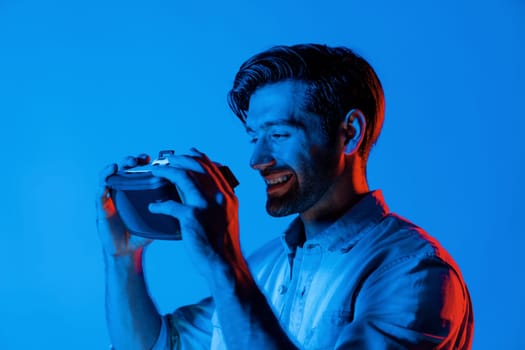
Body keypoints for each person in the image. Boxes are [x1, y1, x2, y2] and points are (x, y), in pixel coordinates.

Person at [96, 44, 474, 349]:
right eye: (253, 137)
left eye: (278, 135)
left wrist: (223, 262)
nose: (257, 160)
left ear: (350, 133)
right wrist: (124, 258)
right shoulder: (262, 268)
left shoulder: (415, 274)